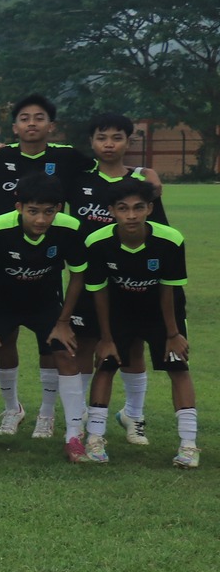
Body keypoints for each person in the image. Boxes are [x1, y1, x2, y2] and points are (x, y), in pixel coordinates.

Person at [81, 178, 196, 469]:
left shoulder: (170, 239)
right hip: (119, 313)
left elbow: (168, 289)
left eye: (138, 208)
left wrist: (173, 334)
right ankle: (94, 439)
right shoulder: (97, 242)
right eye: (123, 208)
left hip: (161, 314)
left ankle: (188, 445)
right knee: (106, 364)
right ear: (111, 211)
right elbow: (99, 292)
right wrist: (105, 337)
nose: (131, 215)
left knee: (178, 366)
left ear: (149, 209)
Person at [0, 175, 89, 461]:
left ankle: (74, 437)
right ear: (19, 207)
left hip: (45, 304)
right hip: (2, 303)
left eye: (49, 212)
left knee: (66, 353)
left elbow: (78, 275)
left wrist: (64, 322)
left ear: (59, 209)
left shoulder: (70, 227)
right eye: (33, 211)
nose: (41, 219)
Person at [0, 94, 88, 215]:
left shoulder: (68, 155)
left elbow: (102, 168)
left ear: (51, 126)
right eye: (24, 119)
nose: (32, 123)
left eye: (39, 119)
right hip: (8, 232)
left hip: (53, 231)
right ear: (15, 128)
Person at [71, 111, 167, 232]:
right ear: (92, 142)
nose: (109, 144)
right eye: (101, 138)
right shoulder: (76, 179)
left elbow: (159, 229)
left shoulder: (143, 183)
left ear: (127, 143)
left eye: (117, 138)